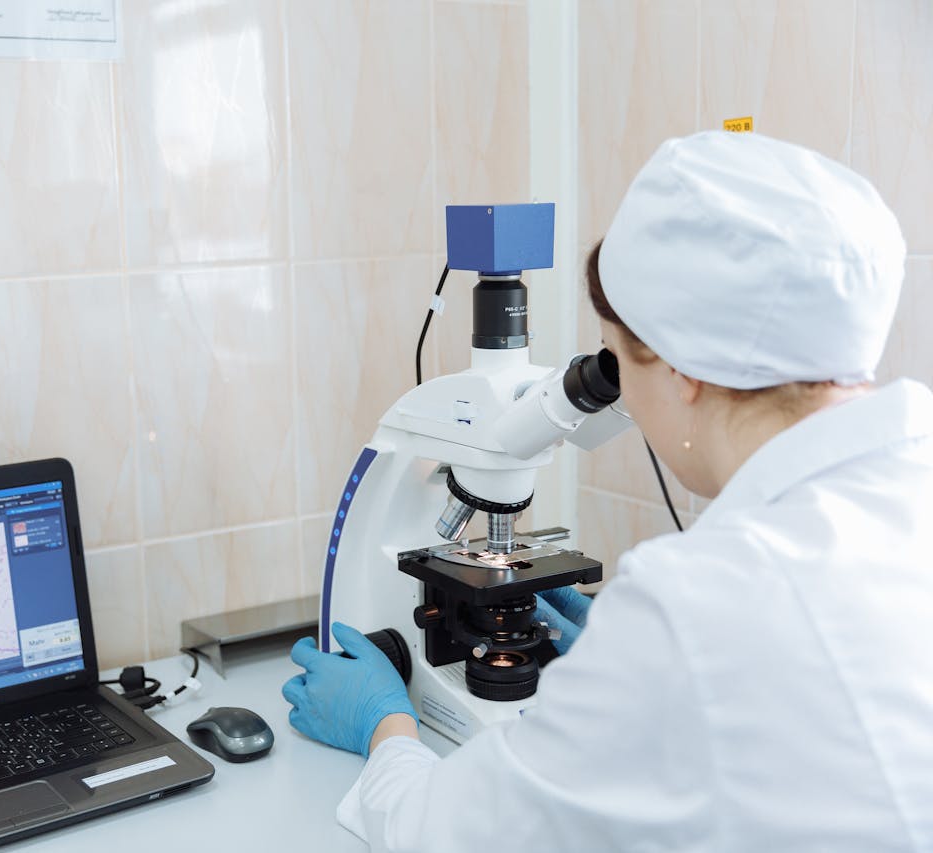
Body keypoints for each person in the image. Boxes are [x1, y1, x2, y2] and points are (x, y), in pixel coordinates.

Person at [282, 131, 933, 851]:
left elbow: (452, 835)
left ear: (683, 367)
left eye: (615, 363)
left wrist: (383, 724)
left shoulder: (699, 612)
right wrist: (624, 680)